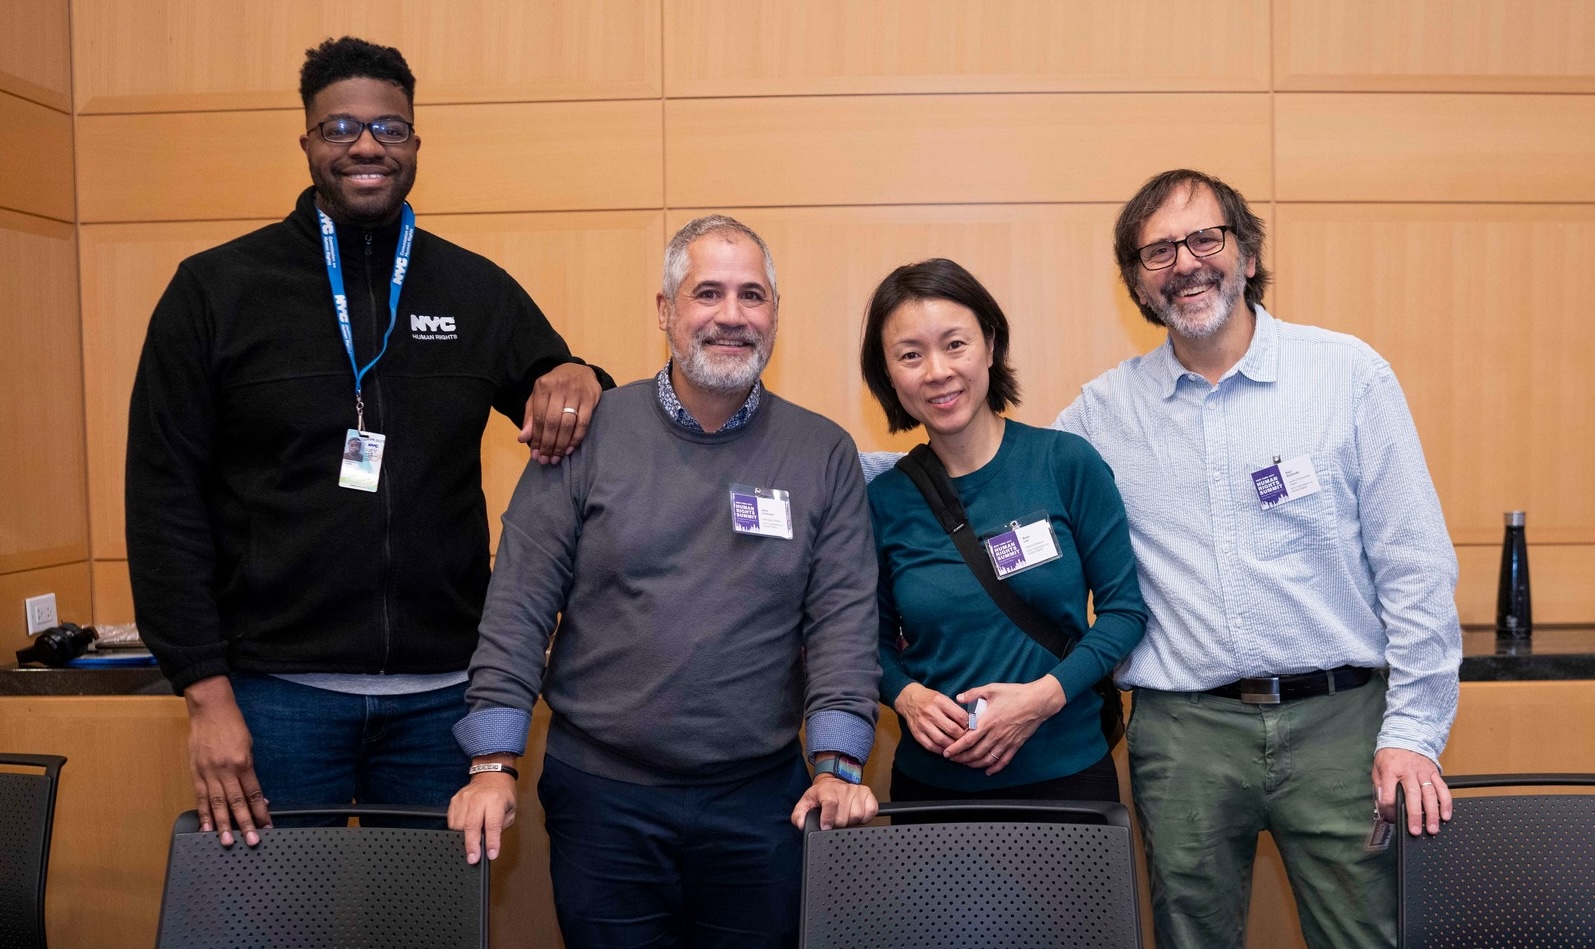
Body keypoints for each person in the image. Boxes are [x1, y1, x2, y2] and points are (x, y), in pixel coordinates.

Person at [125, 36, 613, 848]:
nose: (364, 145)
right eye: (340, 126)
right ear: (308, 141)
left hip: (443, 699)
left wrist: (579, 371)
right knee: (273, 924)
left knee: (430, 925)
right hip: (274, 696)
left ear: (415, 143)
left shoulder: (473, 288)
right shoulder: (215, 290)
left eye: (388, 129)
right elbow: (161, 498)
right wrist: (204, 695)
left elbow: (563, 391)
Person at [1053, 169, 1462, 949]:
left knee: (1366, 936)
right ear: (1137, 286)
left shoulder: (1346, 376)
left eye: (1205, 237)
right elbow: (1001, 473)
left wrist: (1411, 732)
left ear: (1245, 254)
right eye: (1158, 251)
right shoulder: (1101, 414)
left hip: (1342, 727)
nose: (1185, 262)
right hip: (1184, 736)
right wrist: (845, 472)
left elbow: (1414, 566)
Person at [449, 215, 881, 949]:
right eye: (706, 292)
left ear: (774, 312)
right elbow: (519, 604)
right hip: (603, 798)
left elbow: (841, 621)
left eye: (752, 295)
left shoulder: (821, 451)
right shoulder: (588, 434)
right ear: (665, 311)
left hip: (761, 801)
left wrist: (838, 765)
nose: (731, 315)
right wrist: (492, 762)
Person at [859, 258, 1146, 809]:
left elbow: (1124, 613)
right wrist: (908, 697)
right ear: (890, 376)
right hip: (932, 790)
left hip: (1068, 774)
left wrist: (1043, 698)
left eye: (955, 344)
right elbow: (865, 643)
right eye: (911, 355)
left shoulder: (1066, 463)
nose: (937, 371)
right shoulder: (884, 501)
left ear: (991, 346)